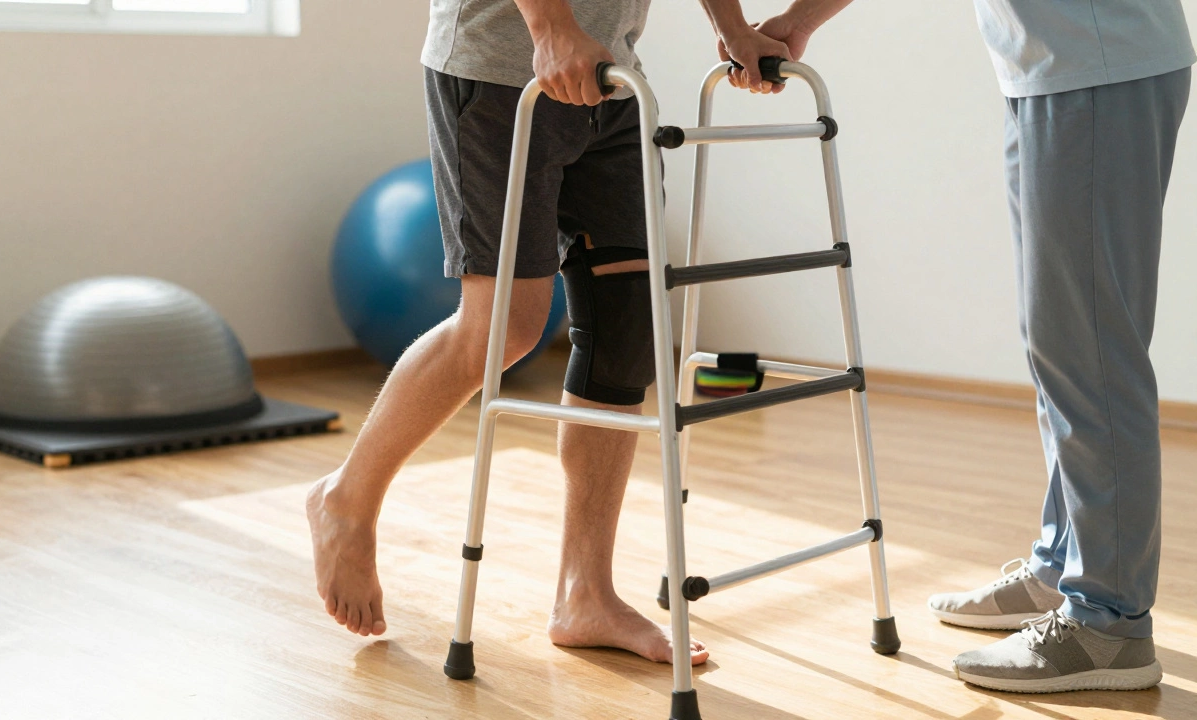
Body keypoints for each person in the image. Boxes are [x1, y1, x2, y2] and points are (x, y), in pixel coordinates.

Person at [306, 0, 795, 665]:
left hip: (612, 79)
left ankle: (584, 594)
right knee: (502, 328)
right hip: (501, 70)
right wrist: (551, 27)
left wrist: (731, 27)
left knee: (627, 333)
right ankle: (346, 499)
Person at [740, 0, 1193, 694]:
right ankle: (1063, 568)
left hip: (1093, 68)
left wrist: (801, 17)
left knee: (1091, 351)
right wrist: (804, 20)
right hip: (1055, 69)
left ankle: (1109, 626)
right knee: (1060, 346)